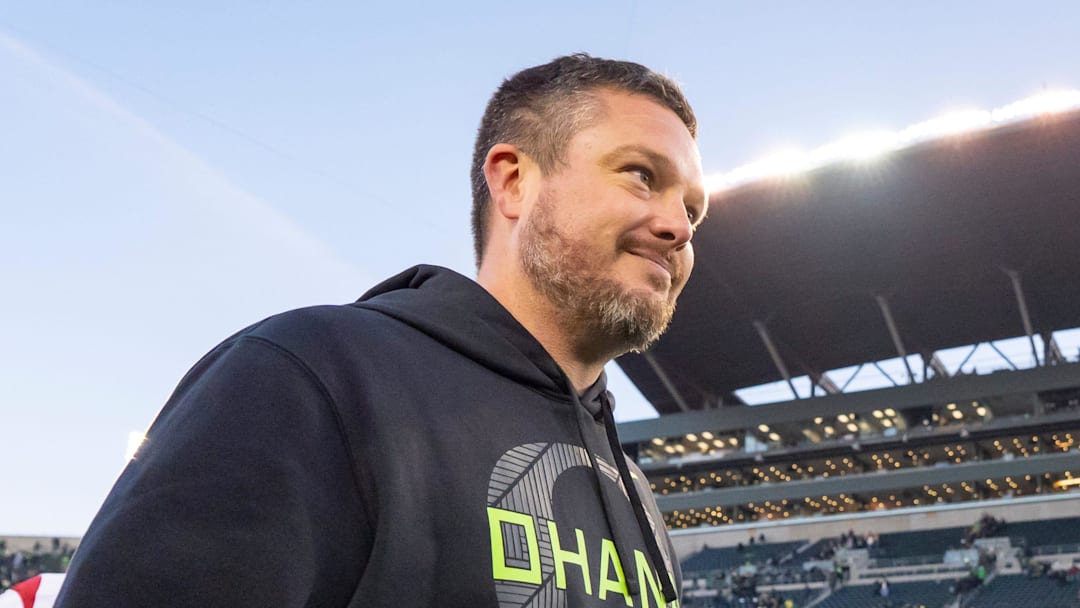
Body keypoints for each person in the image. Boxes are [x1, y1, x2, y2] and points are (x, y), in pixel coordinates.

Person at [55, 53, 707, 607]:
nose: (678, 227)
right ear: (513, 181)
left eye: (692, 210)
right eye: (641, 176)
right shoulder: (306, 377)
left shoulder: (635, 491)